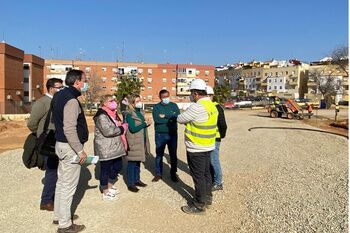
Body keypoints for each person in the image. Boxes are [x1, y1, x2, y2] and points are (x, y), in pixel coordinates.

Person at [52, 70, 89, 233]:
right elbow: (69, 128)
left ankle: (59, 215)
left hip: (60, 144)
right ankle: (65, 225)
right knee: (68, 186)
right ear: (77, 82)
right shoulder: (72, 100)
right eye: (84, 80)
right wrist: (80, 151)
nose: (85, 83)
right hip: (70, 147)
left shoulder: (59, 95)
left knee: (61, 183)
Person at [177, 79, 218, 215]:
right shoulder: (211, 105)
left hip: (196, 147)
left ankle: (199, 205)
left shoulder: (197, 106)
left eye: (191, 93)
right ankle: (207, 197)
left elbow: (180, 118)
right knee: (206, 173)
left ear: (195, 93)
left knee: (198, 176)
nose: (191, 96)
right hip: (208, 145)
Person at [27, 78, 63, 211]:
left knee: (58, 172)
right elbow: (31, 124)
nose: (61, 90)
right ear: (51, 88)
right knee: (52, 171)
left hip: (58, 141)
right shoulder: (42, 103)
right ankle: (46, 201)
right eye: (59, 87)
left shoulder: (57, 101)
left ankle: (53, 198)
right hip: (48, 142)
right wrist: (42, 134)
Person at [93, 95, 127, 201]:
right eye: (111, 101)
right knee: (105, 170)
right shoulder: (101, 115)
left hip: (115, 146)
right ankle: (105, 191)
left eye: (114, 100)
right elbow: (108, 131)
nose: (114, 102)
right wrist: (122, 128)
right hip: (106, 147)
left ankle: (109, 184)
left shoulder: (112, 113)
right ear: (104, 103)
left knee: (118, 166)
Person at [152, 89, 180, 182]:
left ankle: (173, 173)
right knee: (159, 154)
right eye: (163, 97)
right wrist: (171, 117)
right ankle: (158, 174)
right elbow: (157, 120)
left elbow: (177, 117)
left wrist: (165, 116)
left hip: (172, 134)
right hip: (160, 134)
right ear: (160, 97)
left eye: (167, 96)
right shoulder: (156, 107)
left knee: (173, 154)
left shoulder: (174, 105)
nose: (166, 98)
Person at [125, 94, 151, 192]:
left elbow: (141, 126)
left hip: (141, 140)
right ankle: (130, 183)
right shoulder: (129, 114)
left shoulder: (140, 112)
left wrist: (146, 124)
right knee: (132, 163)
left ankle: (137, 180)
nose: (140, 102)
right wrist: (144, 124)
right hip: (134, 141)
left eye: (140, 100)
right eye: (137, 101)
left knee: (138, 161)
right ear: (132, 103)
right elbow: (132, 128)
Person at [206, 86, 227, 191]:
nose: (207, 97)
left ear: (212, 96)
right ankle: (213, 179)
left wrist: (221, 135)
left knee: (214, 160)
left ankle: (218, 182)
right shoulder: (204, 106)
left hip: (215, 138)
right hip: (206, 138)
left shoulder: (217, 107)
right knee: (209, 160)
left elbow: (223, 124)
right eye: (206, 95)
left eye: (209, 95)